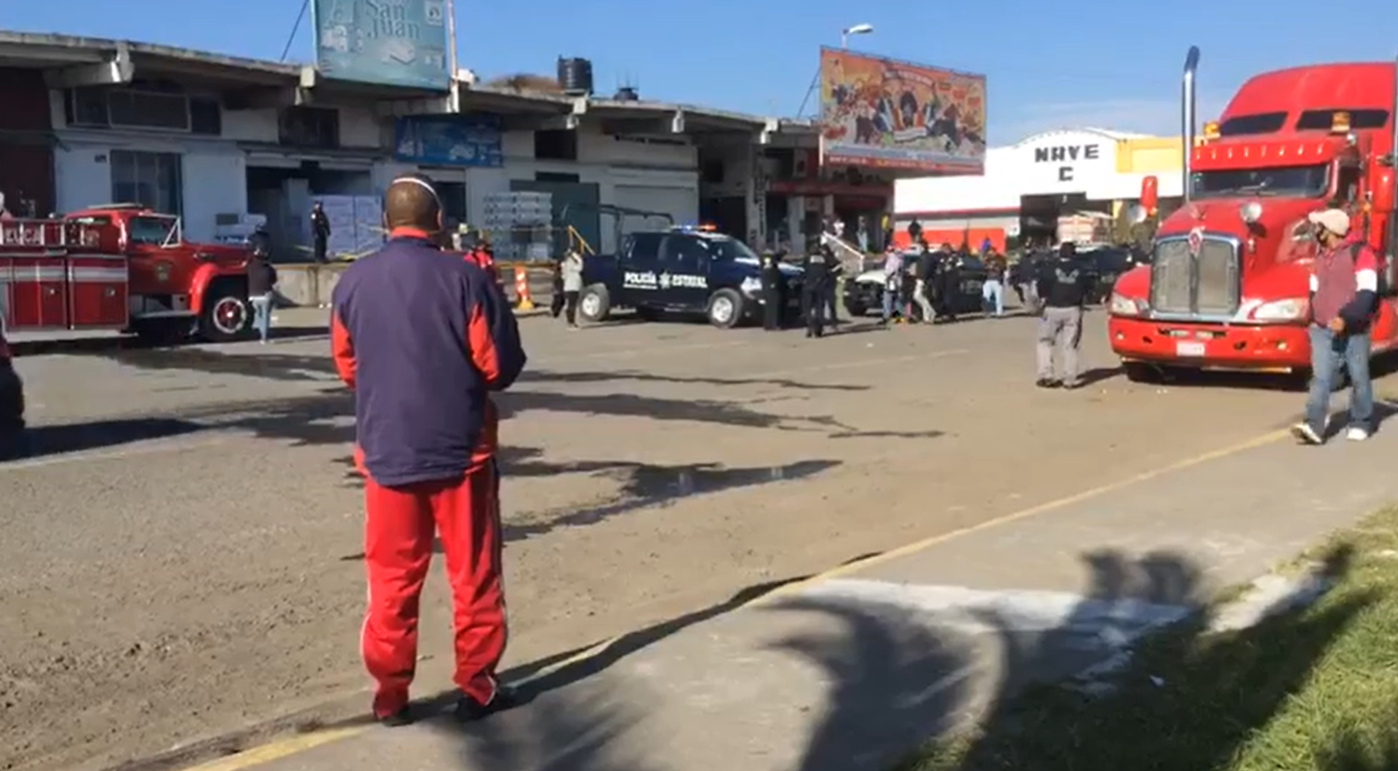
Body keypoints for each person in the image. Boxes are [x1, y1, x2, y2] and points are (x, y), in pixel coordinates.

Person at [329, 173, 527, 727]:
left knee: (391, 581)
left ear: (385, 224)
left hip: (387, 455)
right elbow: (500, 366)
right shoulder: (466, 278)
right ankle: (477, 685)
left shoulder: (351, 283)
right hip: (462, 454)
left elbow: (347, 366)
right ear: (439, 222)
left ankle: (390, 696)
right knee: (475, 575)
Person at [1292, 208, 1378, 445]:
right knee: (1320, 378)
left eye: (1318, 226)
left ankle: (1361, 421)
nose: (1314, 231)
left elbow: (1367, 293)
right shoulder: (1320, 254)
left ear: (1330, 230)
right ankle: (1314, 426)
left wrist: (1346, 318)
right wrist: (1312, 314)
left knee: (1359, 376)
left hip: (1354, 328)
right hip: (1321, 327)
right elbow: (1314, 288)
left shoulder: (1361, 253)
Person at [1035, 242, 1089, 389]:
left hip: (1052, 308)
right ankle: (1069, 379)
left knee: (1045, 342)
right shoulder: (1082, 269)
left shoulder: (1050, 268)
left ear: (1060, 253)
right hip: (1073, 309)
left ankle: (1046, 375)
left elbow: (1041, 286)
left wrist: (1042, 299)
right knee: (1070, 345)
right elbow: (1088, 288)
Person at [246, 235, 278, 344]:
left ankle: (259, 333)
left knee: (258, 315)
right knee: (265, 316)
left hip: (253, 295)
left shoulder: (250, 266)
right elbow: (274, 280)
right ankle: (264, 338)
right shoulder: (268, 268)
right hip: (265, 295)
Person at [801, 238, 833, 338]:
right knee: (819, 309)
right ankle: (818, 330)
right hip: (821, 287)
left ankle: (810, 327)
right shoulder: (824, 258)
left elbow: (804, 271)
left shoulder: (807, 259)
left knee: (808, 309)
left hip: (809, 287)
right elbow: (831, 268)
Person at [879, 246, 905, 326]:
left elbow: (891, 270)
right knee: (897, 300)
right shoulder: (900, 258)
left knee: (887, 300)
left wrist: (887, 276)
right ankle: (898, 318)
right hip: (898, 282)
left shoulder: (892, 259)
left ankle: (886, 317)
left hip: (891, 281)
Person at [912, 241, 937, 323]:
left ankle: (931, 312)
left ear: (922, 247)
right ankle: (927, 317)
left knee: (917, 296)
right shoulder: (925, 256)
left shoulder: (925, 257)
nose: (917, 249)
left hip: (922, 279)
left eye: (918, 247)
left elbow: (925, 270)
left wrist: (923, 279)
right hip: (922, 279)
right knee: (922, 297)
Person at [560, 247, 584, 329]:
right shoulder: (571, 264)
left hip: (567, 287)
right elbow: (580, 266)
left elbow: (563, 276)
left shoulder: (564, 264)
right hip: (573, 286)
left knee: (569, 305)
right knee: (572, 306)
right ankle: (571, 323)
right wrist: (576, 256)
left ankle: (570, 322)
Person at [761, 249, 784, 331]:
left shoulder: (762, 260)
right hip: (772, 285)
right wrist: (774, 283)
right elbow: (774, 272)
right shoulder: (771, 262)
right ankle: (774, 324)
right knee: (774, 306)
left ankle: (767, 325)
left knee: (768, 306)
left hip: (766, 285)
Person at [983, 249, 1007, 318]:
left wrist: (995, 266)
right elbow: (984, 267)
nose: (990, 253)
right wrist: (987, 264)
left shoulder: (1000, 258)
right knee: (986, 297)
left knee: (998, 298)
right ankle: (987, 312)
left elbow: (1003, 267)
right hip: (988, 280)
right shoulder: (987, 259)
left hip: (997, 280)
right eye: (989, 252)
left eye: (992, 252)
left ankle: (999, 313)